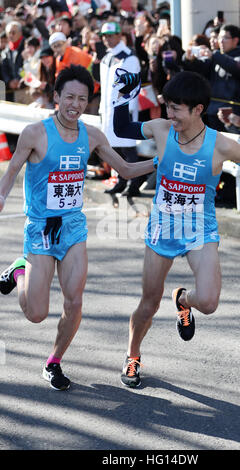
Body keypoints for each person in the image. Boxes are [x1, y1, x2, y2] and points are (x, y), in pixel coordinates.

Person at [112, 70, 240, 388]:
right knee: (149, 302)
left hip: (200, 228)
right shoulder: (161, 130)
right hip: (163, 227)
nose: (169, 115)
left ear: (198, 109)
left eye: (176, 109)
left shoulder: (220, 145)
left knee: (210, 302)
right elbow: (120, 129)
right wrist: (123, 96)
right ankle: (133, 355)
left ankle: (184, 300)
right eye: (167, 106)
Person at [0, 64, 155, 391]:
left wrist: (161, 162)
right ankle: (19, 272)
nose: (75, 104)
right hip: (41, 227)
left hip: (73, 227)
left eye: (82, 99)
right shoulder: (35, 133)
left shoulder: (93, 135)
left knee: (74, 301)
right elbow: (12, 169)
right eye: (69, 96)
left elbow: (125, 169)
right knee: (36, 313)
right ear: (56, 97)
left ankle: (54, 361)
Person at [98, 21, 143, 197]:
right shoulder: (106, 57)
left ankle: (134, 184)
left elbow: (131, 87)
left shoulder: (129, 56)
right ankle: (121, 181)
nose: (108, 39)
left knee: (128, 149)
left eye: (111, 35)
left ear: (119, 35)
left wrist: (128, 109)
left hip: (123, 109)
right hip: (108, 110)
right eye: (105, 36)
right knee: (114, 149)